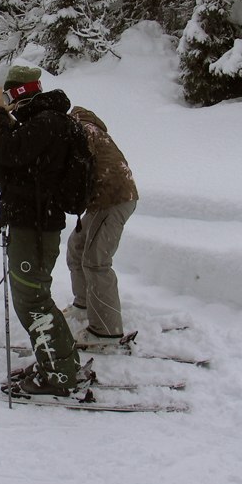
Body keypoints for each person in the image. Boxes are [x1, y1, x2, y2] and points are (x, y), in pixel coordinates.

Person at [0, 65, 80, 396]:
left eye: (9, 95)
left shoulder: (46, 123)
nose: (6, 102)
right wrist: (5, 121)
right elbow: (3, 169)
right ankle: (60, 363)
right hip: (35, 225)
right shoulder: (44, 123)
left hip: (35, 228)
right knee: (35, 297)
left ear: (20, 94)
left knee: (32, 300)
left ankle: (59, 376)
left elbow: (3, 155)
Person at [62, 106, 138, 349]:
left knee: (96, 261)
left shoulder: (84, 131)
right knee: (77, 246)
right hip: (104, 200)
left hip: (113, 199)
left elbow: (77, 167)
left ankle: (106, 332)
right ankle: (83, 304)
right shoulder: (91, 129)